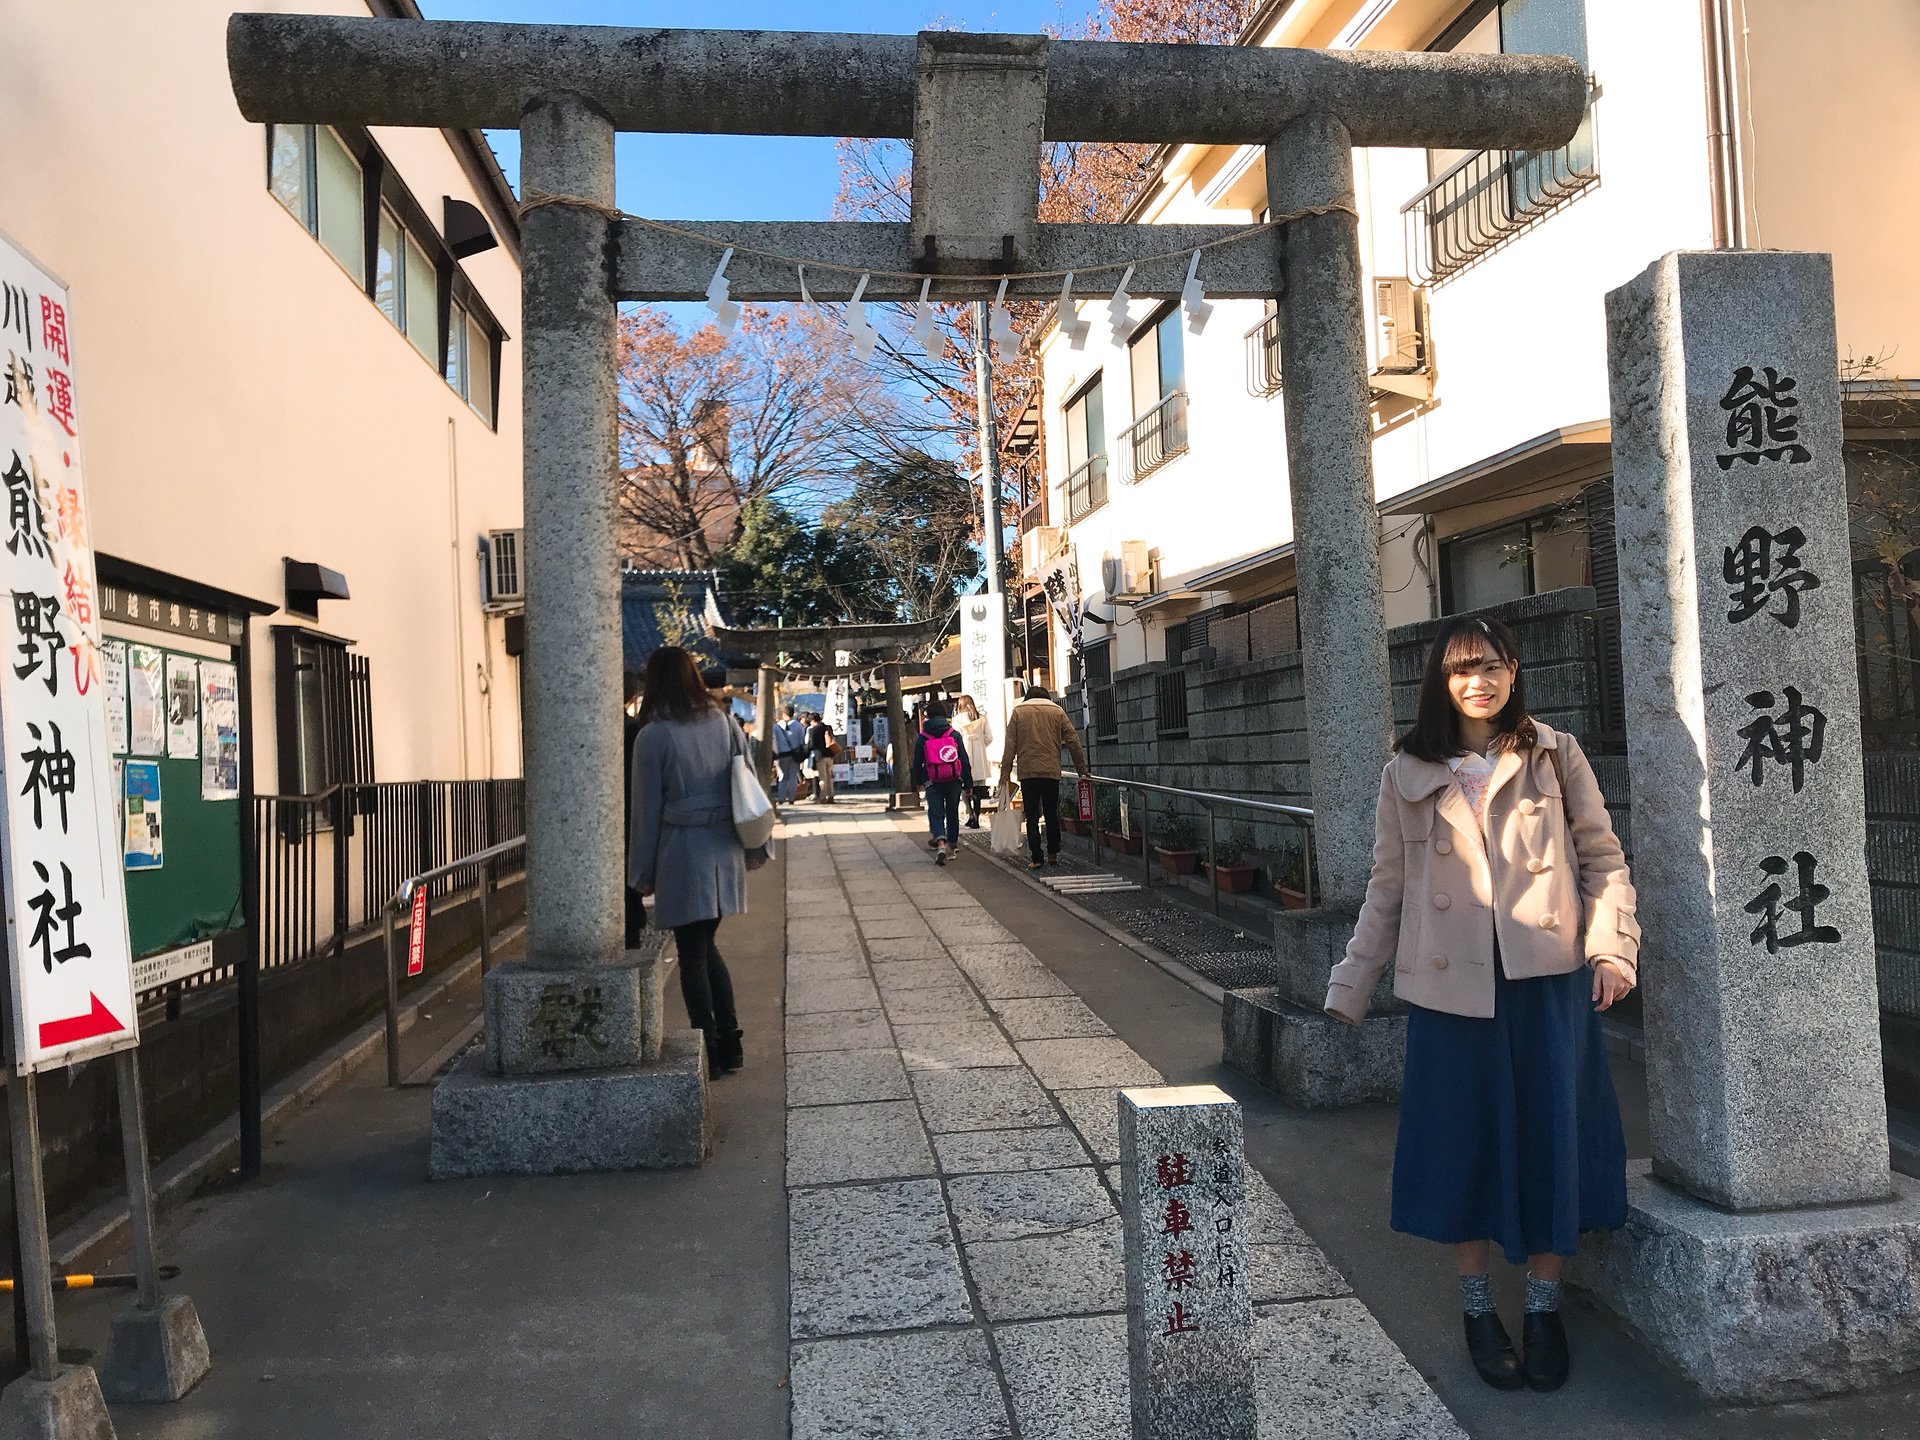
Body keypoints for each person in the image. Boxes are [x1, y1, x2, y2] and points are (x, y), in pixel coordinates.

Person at [1323, 614, 1637, 1395]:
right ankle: (1475, 1308)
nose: (1479, 682)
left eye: (1491, 666)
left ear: (1514, 670)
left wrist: (1612, 948)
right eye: (1463, 670)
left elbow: (1601, 858)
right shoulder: (1407, 771)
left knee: (1551, 1140)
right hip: (1450, 993)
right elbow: (1387, 888)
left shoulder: (1553, 754)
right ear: (1439, 680)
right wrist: (1350, 985)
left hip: (1548, 983)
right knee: (1462, 1145)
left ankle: (1540, 1306)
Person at [628, 646, 766, 1079]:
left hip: (683, 850)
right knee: (704, 945)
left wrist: (642, 872)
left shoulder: (653, 736)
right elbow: (749, 787)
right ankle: (729, 1039)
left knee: (692, 951)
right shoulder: (725, 723)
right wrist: (753, 848)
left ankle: (709, 1043)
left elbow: (645, 811)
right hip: (723, 845)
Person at [1001, 682, 1088, 870]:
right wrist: (1081, 769)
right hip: (1051, 771)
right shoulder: (1057, 711)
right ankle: (1053, 853)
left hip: (1028, 772)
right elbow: (1073, 740)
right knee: (1051, 812)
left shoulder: (1018, 713)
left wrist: (1004, 774)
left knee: (1031, 815)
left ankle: (1037, 857)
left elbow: (1010, 746)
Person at [911, 701, 974, 864]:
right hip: (953, 779)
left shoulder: (923, 737)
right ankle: (952, 845)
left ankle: (940, 842)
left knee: (936, 812)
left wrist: (918, 781)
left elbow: (917, 762)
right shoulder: (954, 734)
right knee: (952, 811)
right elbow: (964, 760)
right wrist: (968, 784)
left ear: (928, 716)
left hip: (932, 780)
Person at [952, 694, 993, 829]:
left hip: (964, 757)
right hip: (980, 757)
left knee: (965, 789)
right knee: (978, 790)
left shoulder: (957, 720)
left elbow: (955, 740)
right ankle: (976, 817)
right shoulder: (982, 718)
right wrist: (980, 744)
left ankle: (971, 816)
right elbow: (989, 737)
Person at [771, 703, 806, 804]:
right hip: (794, 754)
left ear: (783, 714)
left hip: (781, 755)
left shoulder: (777, 727)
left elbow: (774, 741)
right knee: (792, 776)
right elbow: (802, 740)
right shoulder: (798, 726)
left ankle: (781, 798)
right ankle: (791, 798)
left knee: (782, 776)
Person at [806, 711, 838, 803]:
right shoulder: (828, 727)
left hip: (820, 756)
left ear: (812, 721)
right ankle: (831, 795)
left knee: (822, 777)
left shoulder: (813, 730)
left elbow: (811, 745)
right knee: (829, 775)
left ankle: (823, 797)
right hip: (830, 755)